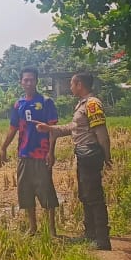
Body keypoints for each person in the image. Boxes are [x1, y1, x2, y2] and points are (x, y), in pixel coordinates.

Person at [35, 72, 112, 250]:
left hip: (90, 154)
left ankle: (102, 240)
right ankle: (90, 234)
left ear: (79, 84)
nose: (70, 87)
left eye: (71, 84)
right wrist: (51, 128)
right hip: (84, 154)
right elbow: (74, 127)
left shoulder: (92, 104)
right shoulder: (82, 105)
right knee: (85, 195)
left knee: (93, 196)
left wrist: (106, 155)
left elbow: (101, 132)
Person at [0, 68, 60, 237]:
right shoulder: (19, 104)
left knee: (46, 191)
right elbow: (13, 128)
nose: (28, 83)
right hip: (24, 154)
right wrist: (4, 147)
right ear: (21, 82)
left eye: (31, 80)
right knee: (26, 192)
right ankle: (33, 228)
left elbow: (52, 129)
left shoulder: (46, 102)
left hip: (41, 155)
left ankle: (52, 230)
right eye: (25, 80)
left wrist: (51, 152)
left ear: (36, 81)